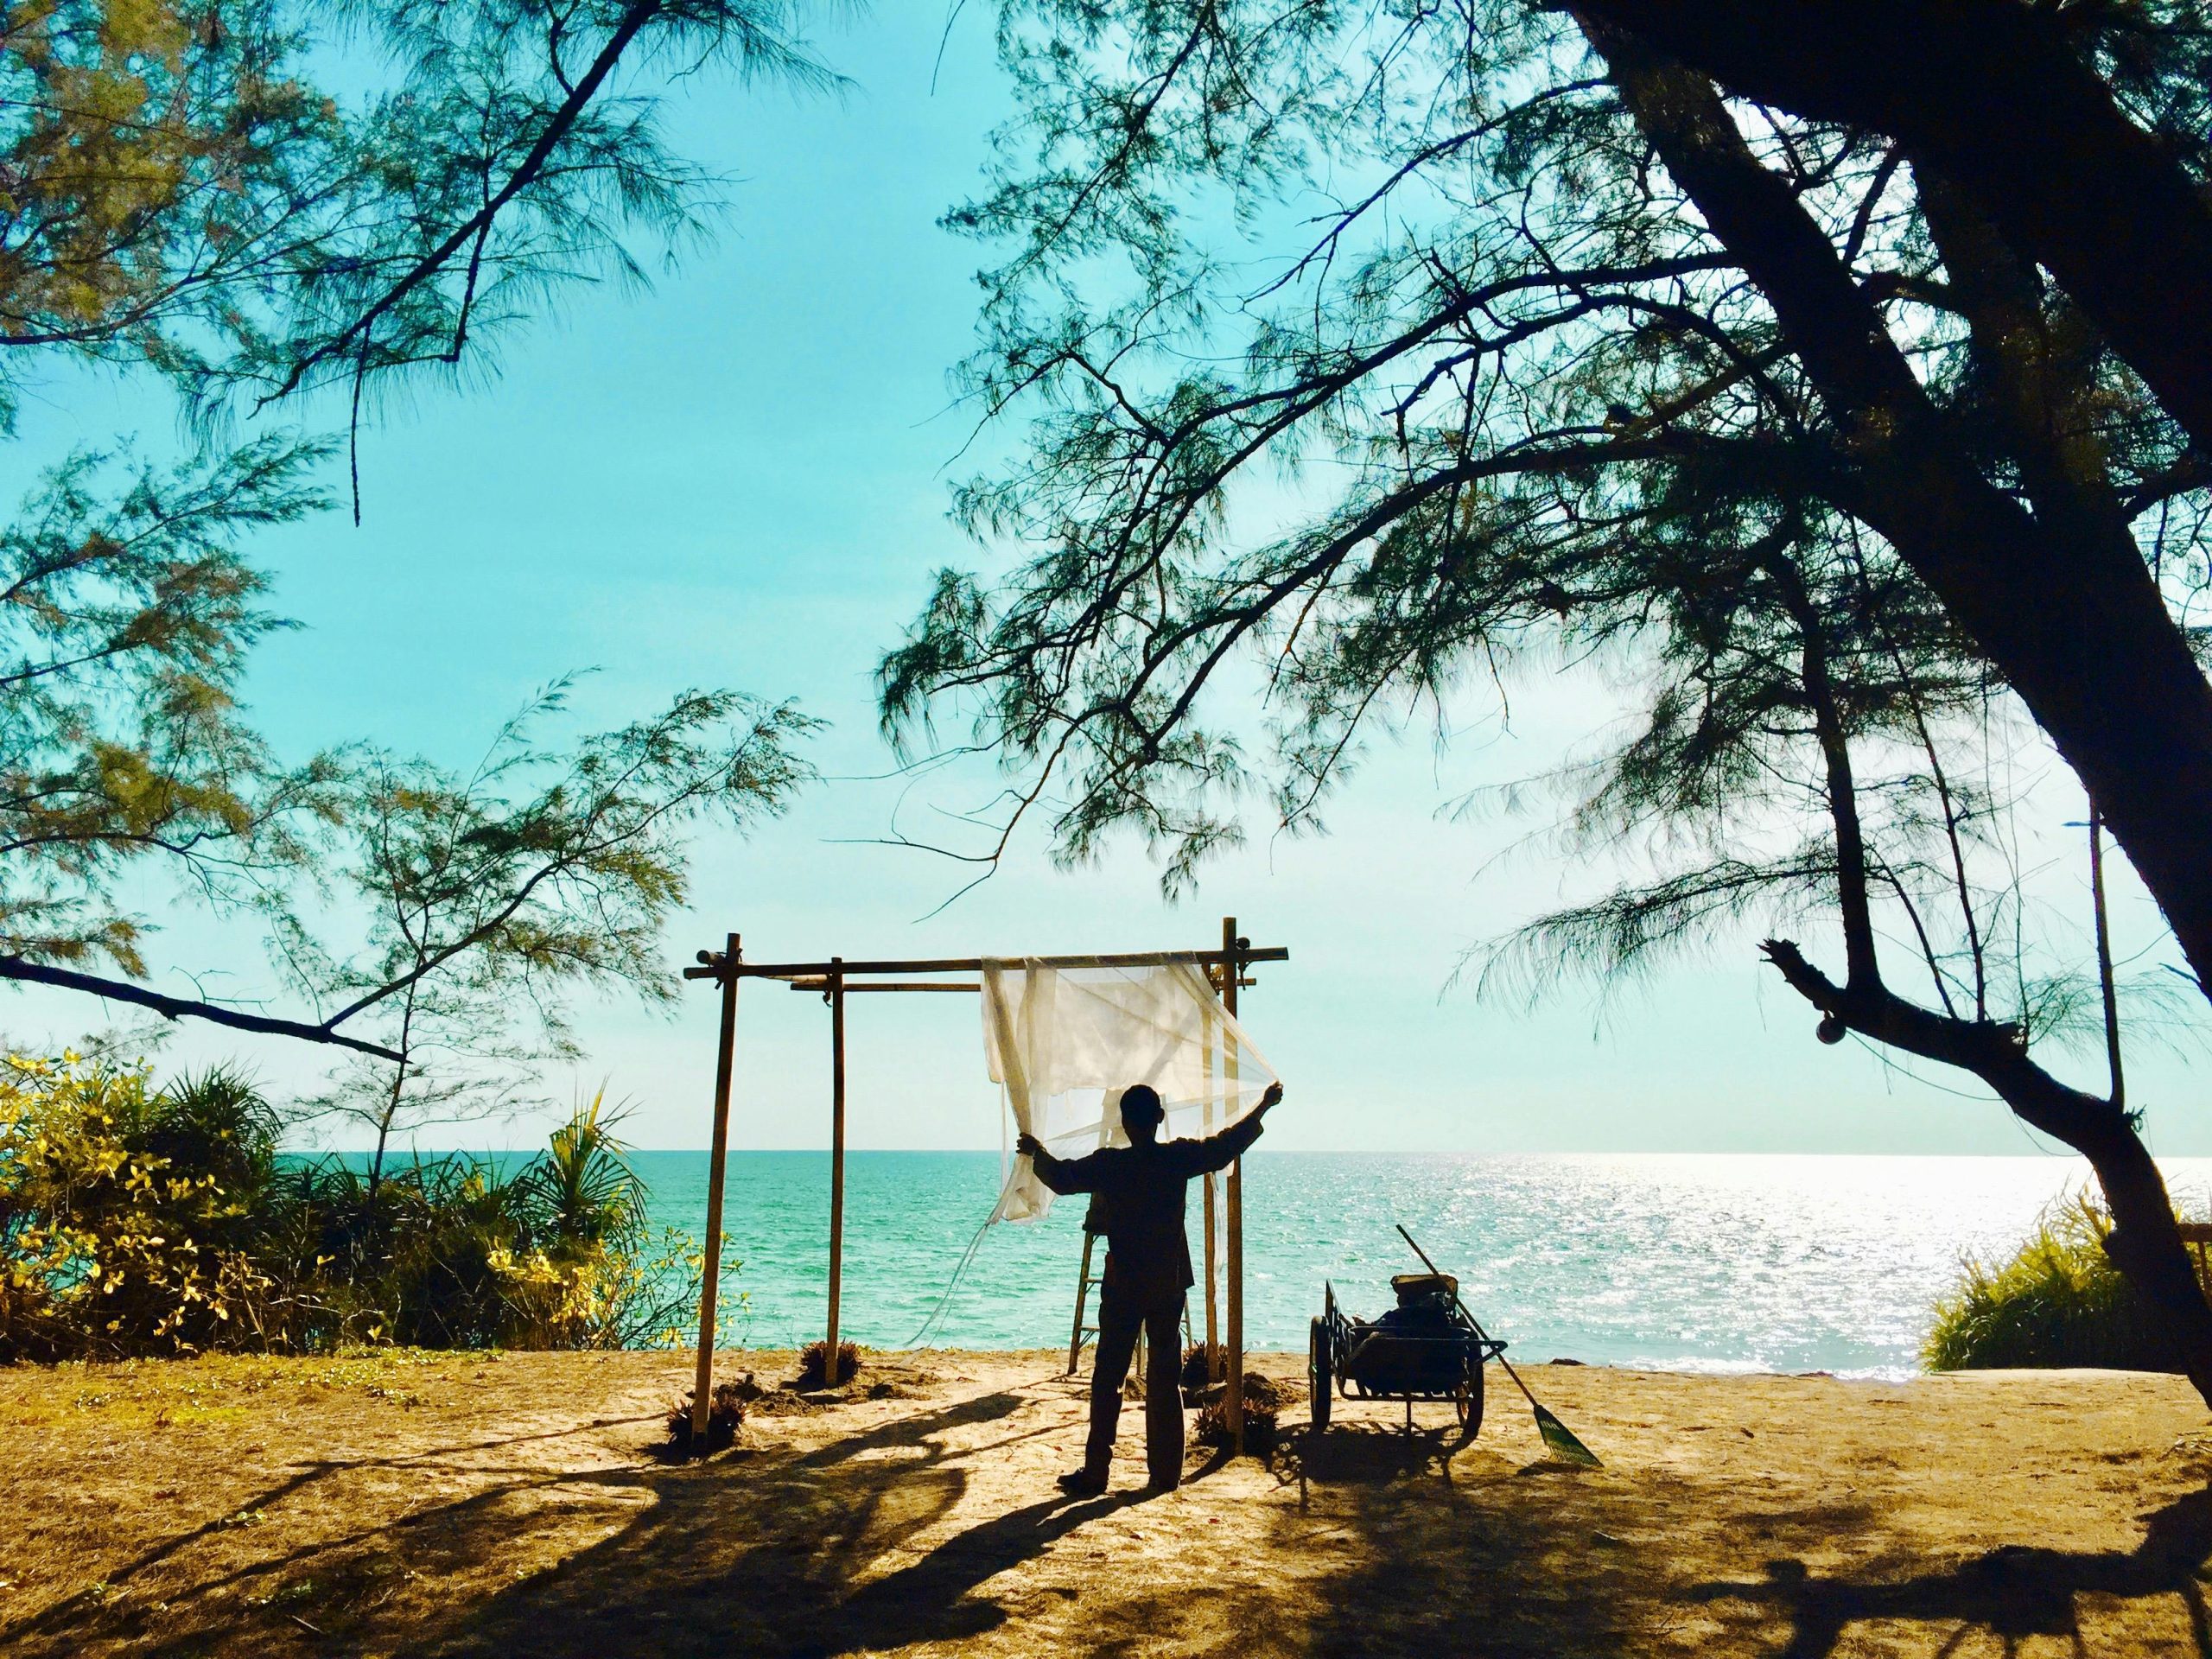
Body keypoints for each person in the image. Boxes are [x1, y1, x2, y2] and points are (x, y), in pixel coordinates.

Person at [1016, 1077, 1286, 1497]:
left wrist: (1037, 1153)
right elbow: (1225, 1145)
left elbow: (1063, 1179)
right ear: (1160, 1118)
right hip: (1167, 1279)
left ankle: (1096, 1473)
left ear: (1123, 1122)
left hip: (1124, 1280)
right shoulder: (1175, 1158)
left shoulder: (1111, 1164)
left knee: (1109, 1375)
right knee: (1164, 1375)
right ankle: (1164, 1474)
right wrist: (1264, 1106)